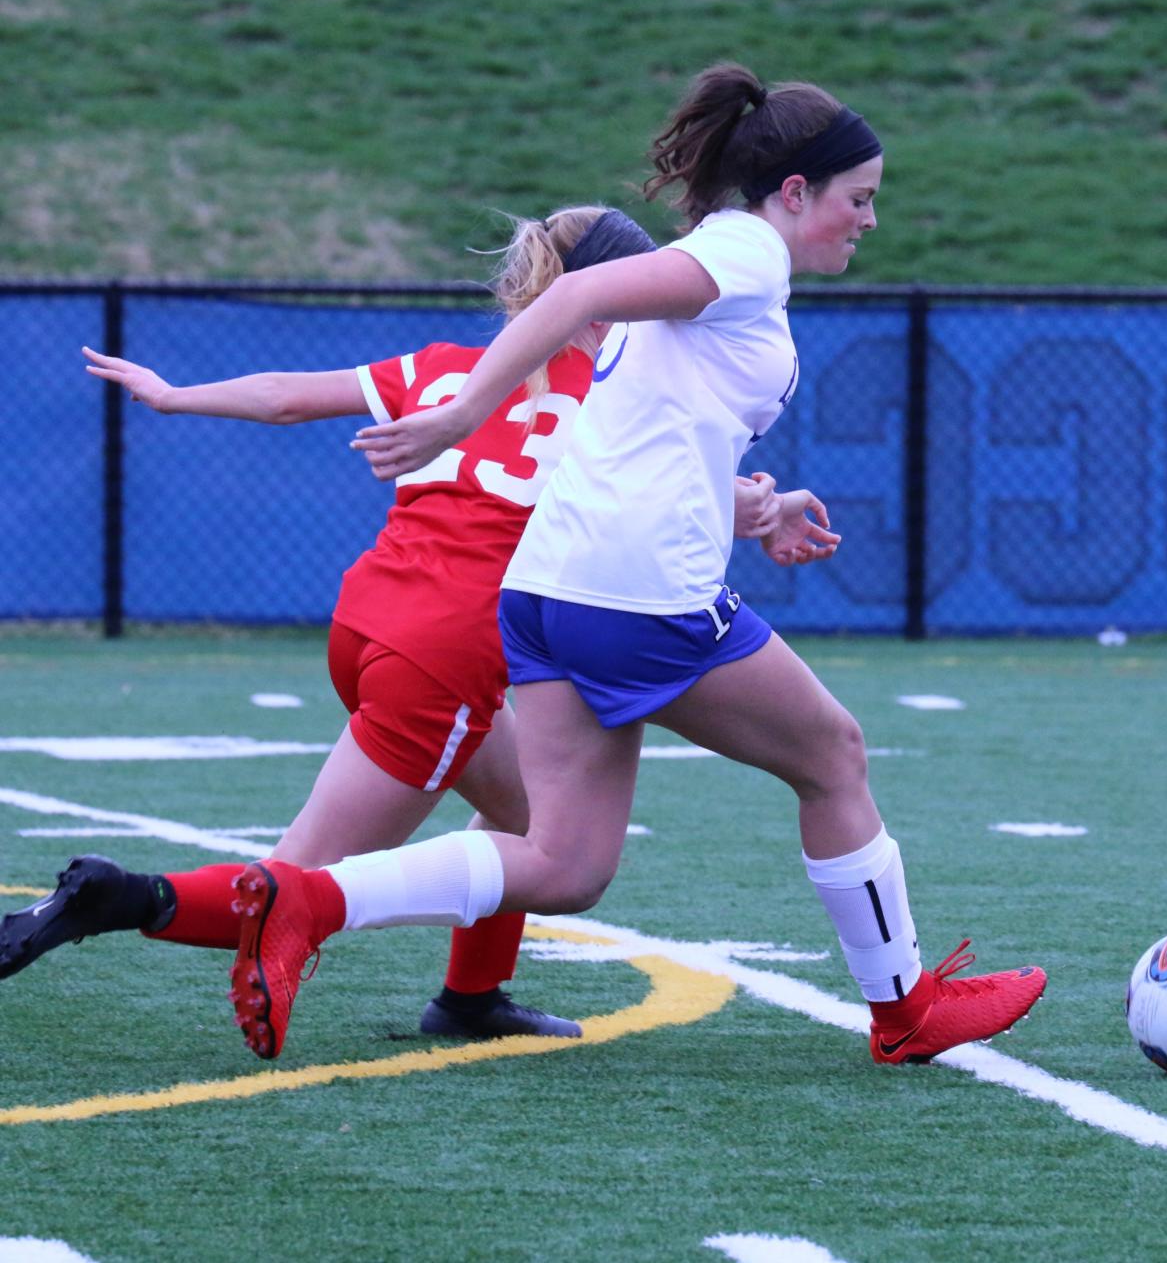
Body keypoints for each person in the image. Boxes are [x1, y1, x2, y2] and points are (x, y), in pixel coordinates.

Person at [225, 62, 1046, 1065]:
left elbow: (650, 429)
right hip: (635, 595)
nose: (868, 220)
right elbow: (581, 289)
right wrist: (460, 410)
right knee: (831, 756)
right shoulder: (748, 253)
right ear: (793, 193)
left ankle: (311, 897)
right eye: (858, 198)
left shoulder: (721, 258)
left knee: (564, 865)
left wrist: (757, 510)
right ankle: (904, 1009)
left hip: (547, 587)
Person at [0, 203, 827, 1041]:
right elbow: (679, 499)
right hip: (449, 651)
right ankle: (115, 896)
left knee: (527, 822)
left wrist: (175, 396)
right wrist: (759, 503)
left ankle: (471, 999)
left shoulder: (450, 370)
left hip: (367, 619)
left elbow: (288, 397)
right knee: (295, 883)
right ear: (613, 301)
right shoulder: (615, 403)